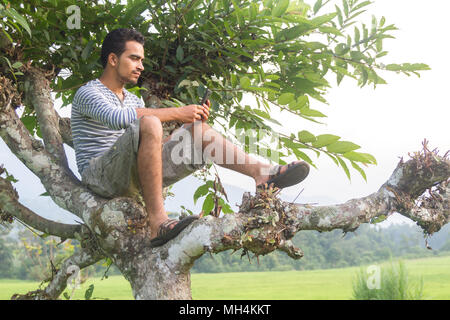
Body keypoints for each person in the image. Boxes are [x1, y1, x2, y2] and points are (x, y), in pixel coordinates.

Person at [71, 28, 309, 247]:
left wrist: (181, 134)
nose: (141, 66)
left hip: (128, 176)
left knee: (197, 132)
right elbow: (116, 118)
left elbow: (140, 148)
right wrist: (177, 112)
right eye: (134, 58)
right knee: (151, 122)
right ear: (113, 59)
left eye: (142, 60)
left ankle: (262, 174)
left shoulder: (134, 100)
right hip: (100, 178)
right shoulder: (88, 92)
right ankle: (158, 223)